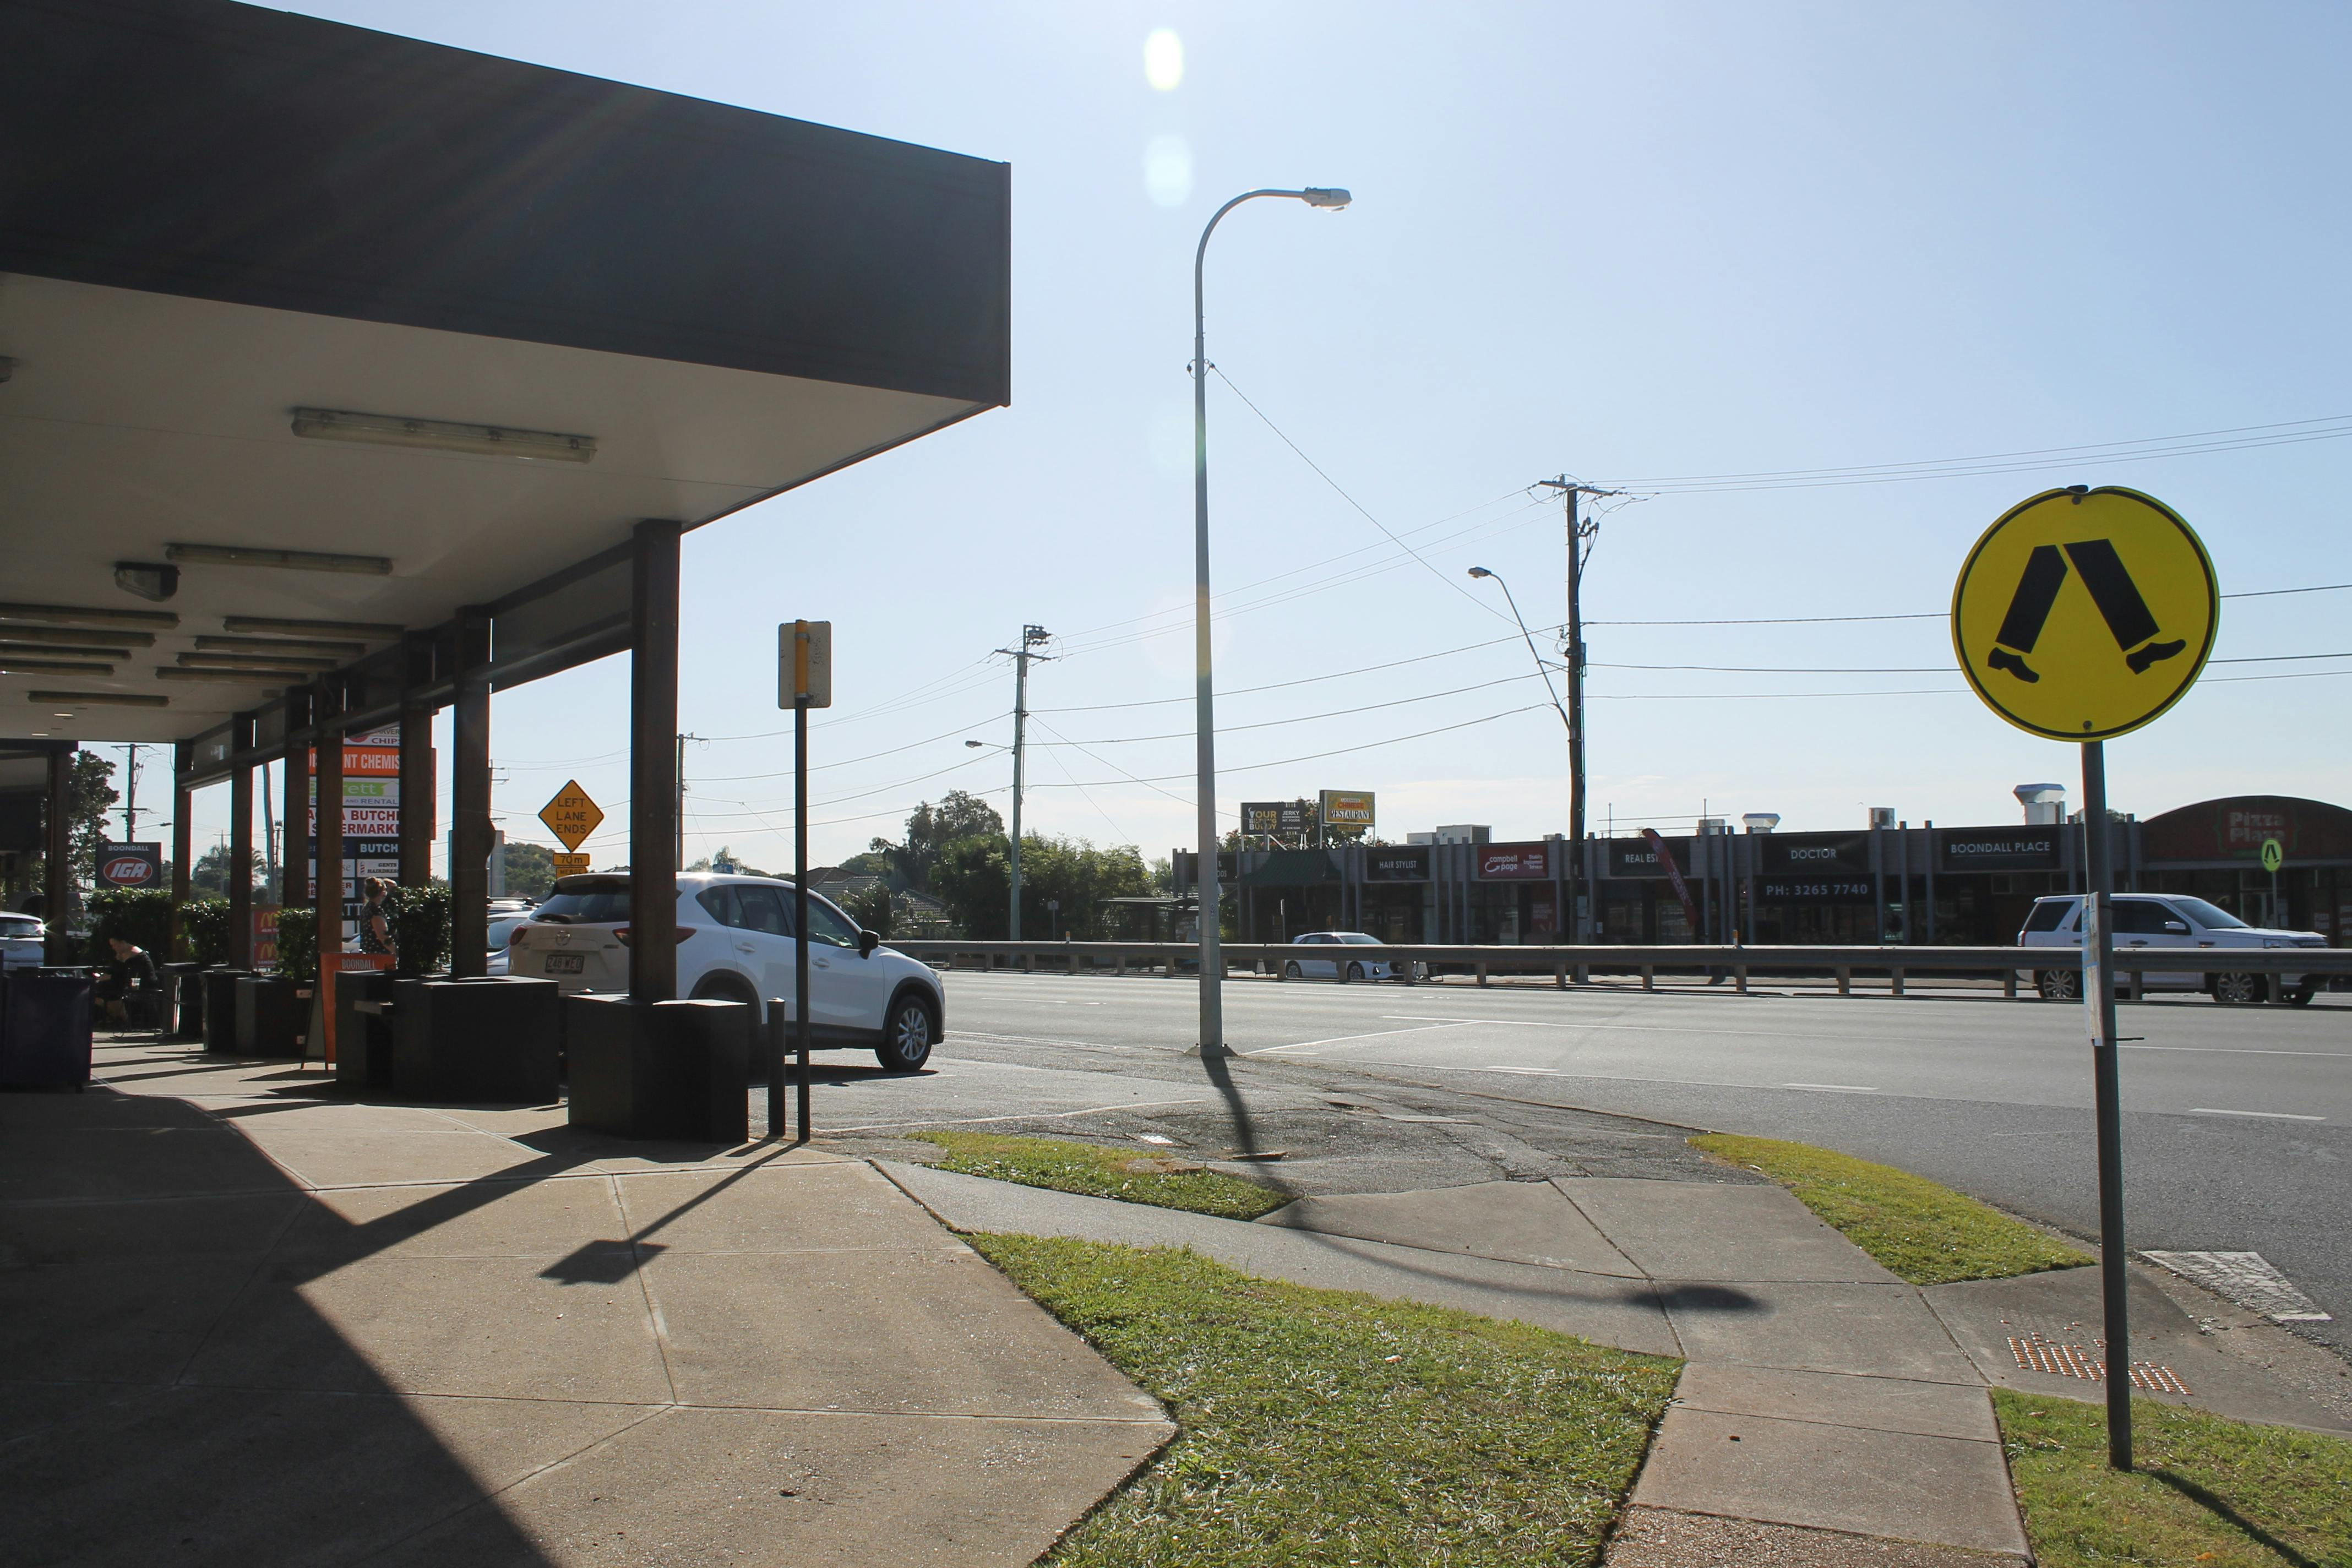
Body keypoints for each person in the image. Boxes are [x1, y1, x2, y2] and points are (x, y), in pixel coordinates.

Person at [95, 935, 160, 1026]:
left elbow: (125, 975)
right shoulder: (121, 955)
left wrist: (107, 977)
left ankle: (120, 1016)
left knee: (102, 990)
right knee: (99, 989)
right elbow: (114, 971)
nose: (113, 948)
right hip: (128, 984)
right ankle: (115, 1016)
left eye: (115, 945)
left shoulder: (136, 956)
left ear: (123, 943)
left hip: (141, 986)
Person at [357, 878, 398, 963]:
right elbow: (384, 937)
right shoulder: (376, 910)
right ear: (383, 892)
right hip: (380, 958)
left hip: (369, 957)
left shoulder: (367, 908)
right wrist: (399, 953)